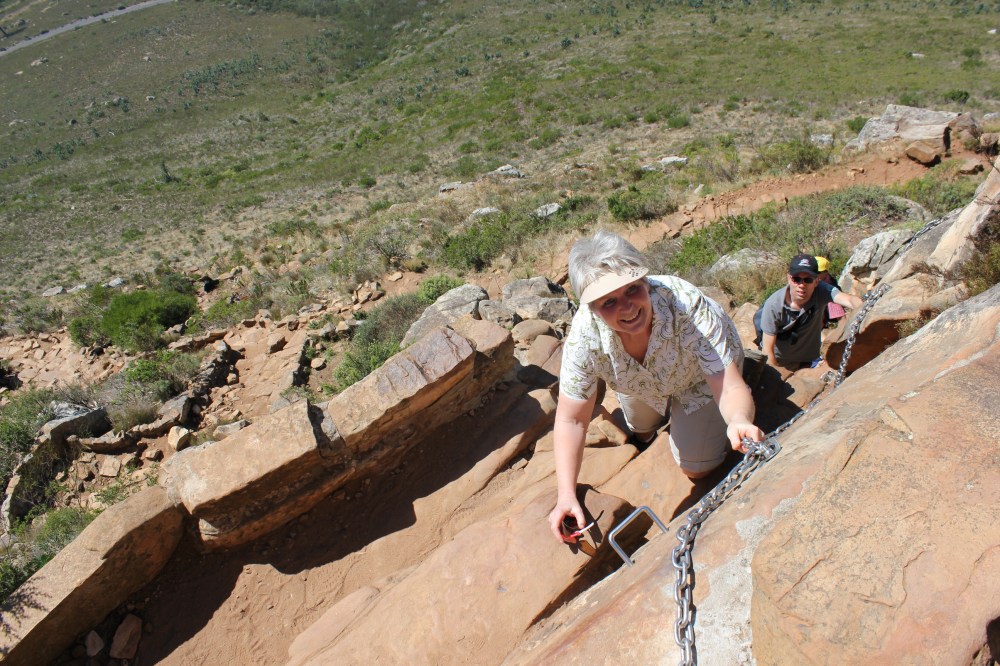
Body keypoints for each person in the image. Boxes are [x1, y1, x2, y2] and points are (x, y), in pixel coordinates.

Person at [547, 230, 765, 543]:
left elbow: (727, 386)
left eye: (632, 289)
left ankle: (689, 422)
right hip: (638, 381)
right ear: (593, 308)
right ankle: (657, 423)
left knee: (697, 468)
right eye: (609, 301)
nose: (627, 307)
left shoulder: (687, 305)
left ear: (646, 282)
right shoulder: (585, 338)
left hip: (699, 379)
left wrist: (739, 420)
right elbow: (571, 419)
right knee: (640, 426)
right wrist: (566, 494)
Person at [759, 254, 862, 371]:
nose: (802, 285)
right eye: (796, 279)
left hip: (812, 360)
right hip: (782, 362)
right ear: (789, 278)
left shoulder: (822, 290)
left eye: (808, 280)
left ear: (817, 281)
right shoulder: (774, 305)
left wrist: (864, 308)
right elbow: (767, 351)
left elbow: (848, 299)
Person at [814, 256, 846, 327]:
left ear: (825, 272)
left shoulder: (831, 290)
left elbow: (842, 319)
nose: (814, 274)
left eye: (817, 272)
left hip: (826, 313)